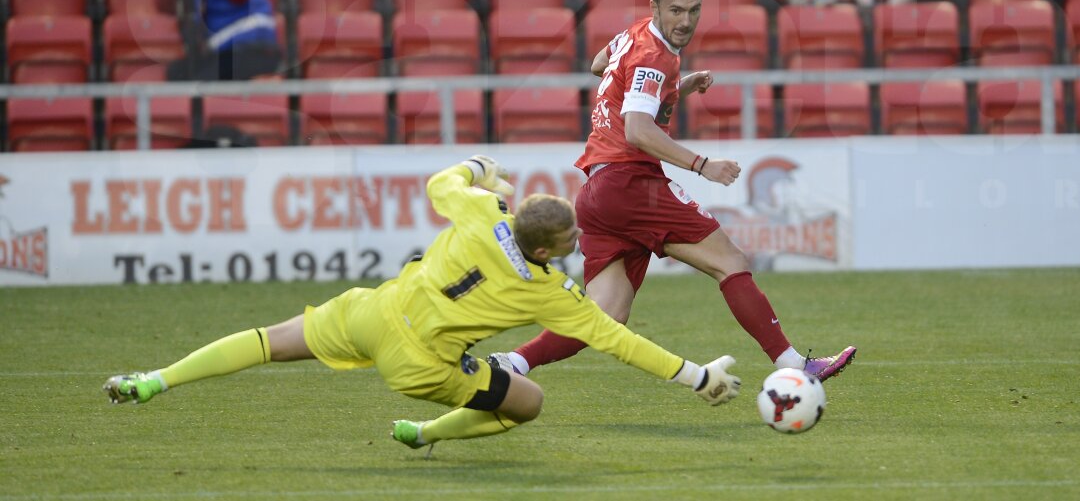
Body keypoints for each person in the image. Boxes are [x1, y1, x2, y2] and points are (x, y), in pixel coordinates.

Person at [103, 156, 741, 451]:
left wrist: (484, 169)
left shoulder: (482, 213)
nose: (580, 242)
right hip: (421, 365)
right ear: (547, 251)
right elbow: (618, 340)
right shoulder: (549, 291)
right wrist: (696, 375)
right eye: (572, 238)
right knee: (529, 403)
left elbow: (445, 181)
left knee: (269, 341)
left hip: (372, 313)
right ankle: (427, 433)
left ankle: (155, 379)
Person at [491, 0, 856, 383]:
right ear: (656, 6)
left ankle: (510, 364)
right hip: (631, 183)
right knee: (730, 261)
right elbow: (638, 129)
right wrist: (703, 165)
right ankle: (796, 366)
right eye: (676, 10)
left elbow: (599, 65)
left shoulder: (634, 34)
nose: (685, 21)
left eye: (694, 10)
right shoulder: (655, 55)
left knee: (605, 316)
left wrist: (675, 87)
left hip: (598, 190)